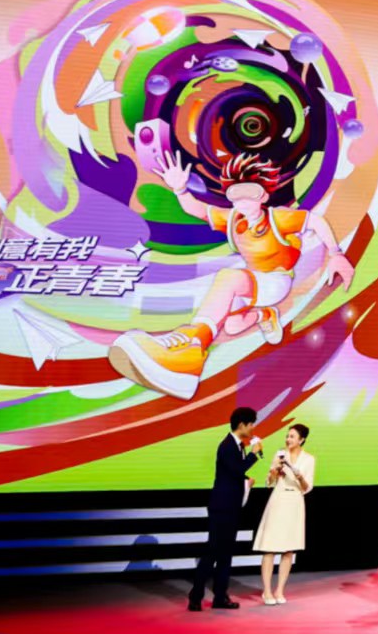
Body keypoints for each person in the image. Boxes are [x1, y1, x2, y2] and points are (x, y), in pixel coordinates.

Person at [110, 154, 354, 399]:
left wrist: (336, 253)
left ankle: (190, 340)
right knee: (232, 325)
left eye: (250, 192)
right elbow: (197, 210)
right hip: (252, 282)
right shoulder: (234, 219)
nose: (243, 200)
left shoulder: (277, 218)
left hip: (275, 281)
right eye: (236, 193)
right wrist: (180, 188)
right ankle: (263, 317)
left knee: (228, 278)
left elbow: (316, 222)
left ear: (263, 196)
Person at [189, 406, 261, 611]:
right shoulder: (227, 445)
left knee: (225, 554)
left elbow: (232, 475)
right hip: (221, 507)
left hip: (231, 507)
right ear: (242, 425)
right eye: (251, 424)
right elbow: (236, 469)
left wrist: (246, 480)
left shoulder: (238, 446)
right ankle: (195, 596)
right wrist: (253, 455)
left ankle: (220, 597)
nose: (253, 428)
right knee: (212, 551)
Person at [253, 423, 313, 604]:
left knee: (288, 549)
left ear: (301, 440)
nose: (288, 439)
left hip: (295, 502)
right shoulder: (280, 455)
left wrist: (300, 476)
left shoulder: (309, 459)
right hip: (278, 499)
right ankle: (267, 591)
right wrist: (274, 472)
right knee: (270, 547)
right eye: (287, 436)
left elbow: (307, 488)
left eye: (292, 436)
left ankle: (279, 590)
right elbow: (268, 482)